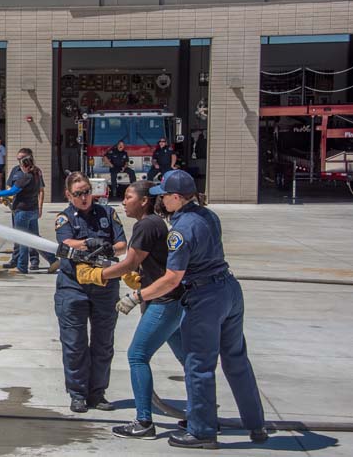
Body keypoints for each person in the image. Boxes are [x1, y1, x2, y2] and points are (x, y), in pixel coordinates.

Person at [115, 170, 267, 449]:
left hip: (205, 298)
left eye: (164, 195)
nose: (161, 200)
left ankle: (202, 431)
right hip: (230, 290)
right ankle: (256, 424)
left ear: (176, 197)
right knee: (236, 360)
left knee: (199, 365)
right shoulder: (209, 216)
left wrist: (138, 295)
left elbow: (172, 279)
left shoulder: (181, 231)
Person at [74, 180, 185, 439]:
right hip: (171, 300)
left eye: (128, 196)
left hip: (162, 302)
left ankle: (144, 422)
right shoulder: (154, 223)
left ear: (144, 201)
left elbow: (130, 262)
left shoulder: (146, 225)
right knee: (188, 359)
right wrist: (137, 274)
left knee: (137, 356)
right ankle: (202, 416)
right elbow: (141, 264)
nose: (123, 202)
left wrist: (97, 274)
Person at [53, 171, 127, 413]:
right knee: (74, 343)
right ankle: (77, 393)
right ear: (68, 195)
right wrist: (88, 243)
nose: (84, 197)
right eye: (78, 194)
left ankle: (98, 393)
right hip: (73, 287)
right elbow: (65, 243)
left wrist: (107, 246)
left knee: (103, 343)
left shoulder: (107, 213)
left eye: (87, 192)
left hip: (105, 286)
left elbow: (121, 243)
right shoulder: (64, 218)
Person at [0, 152, 56, 274]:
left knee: (23, 239)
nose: (20, 168)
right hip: (32, 210)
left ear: (25, 166)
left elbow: (12, 191)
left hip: (23, 212)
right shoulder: (37, 174)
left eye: (21, 165)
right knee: (35, 238)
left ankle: (22, 266)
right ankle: (53, 260)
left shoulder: (26, 177)